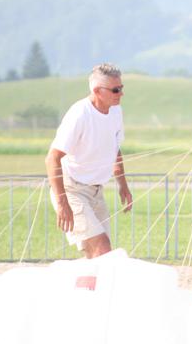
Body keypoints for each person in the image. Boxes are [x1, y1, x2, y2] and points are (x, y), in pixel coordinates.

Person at [45, 63, 133, 259]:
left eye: (121, 88)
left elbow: (115, 149)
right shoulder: (79, 114)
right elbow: (52, 158)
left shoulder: (115, 111)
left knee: (99, 257)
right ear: (97, 91)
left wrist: (123, 185)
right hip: (72, 190)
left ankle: (89, 289)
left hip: (96, 191)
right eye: (115, 90)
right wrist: (62, 202)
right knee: (103, 249)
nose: (121, 93)